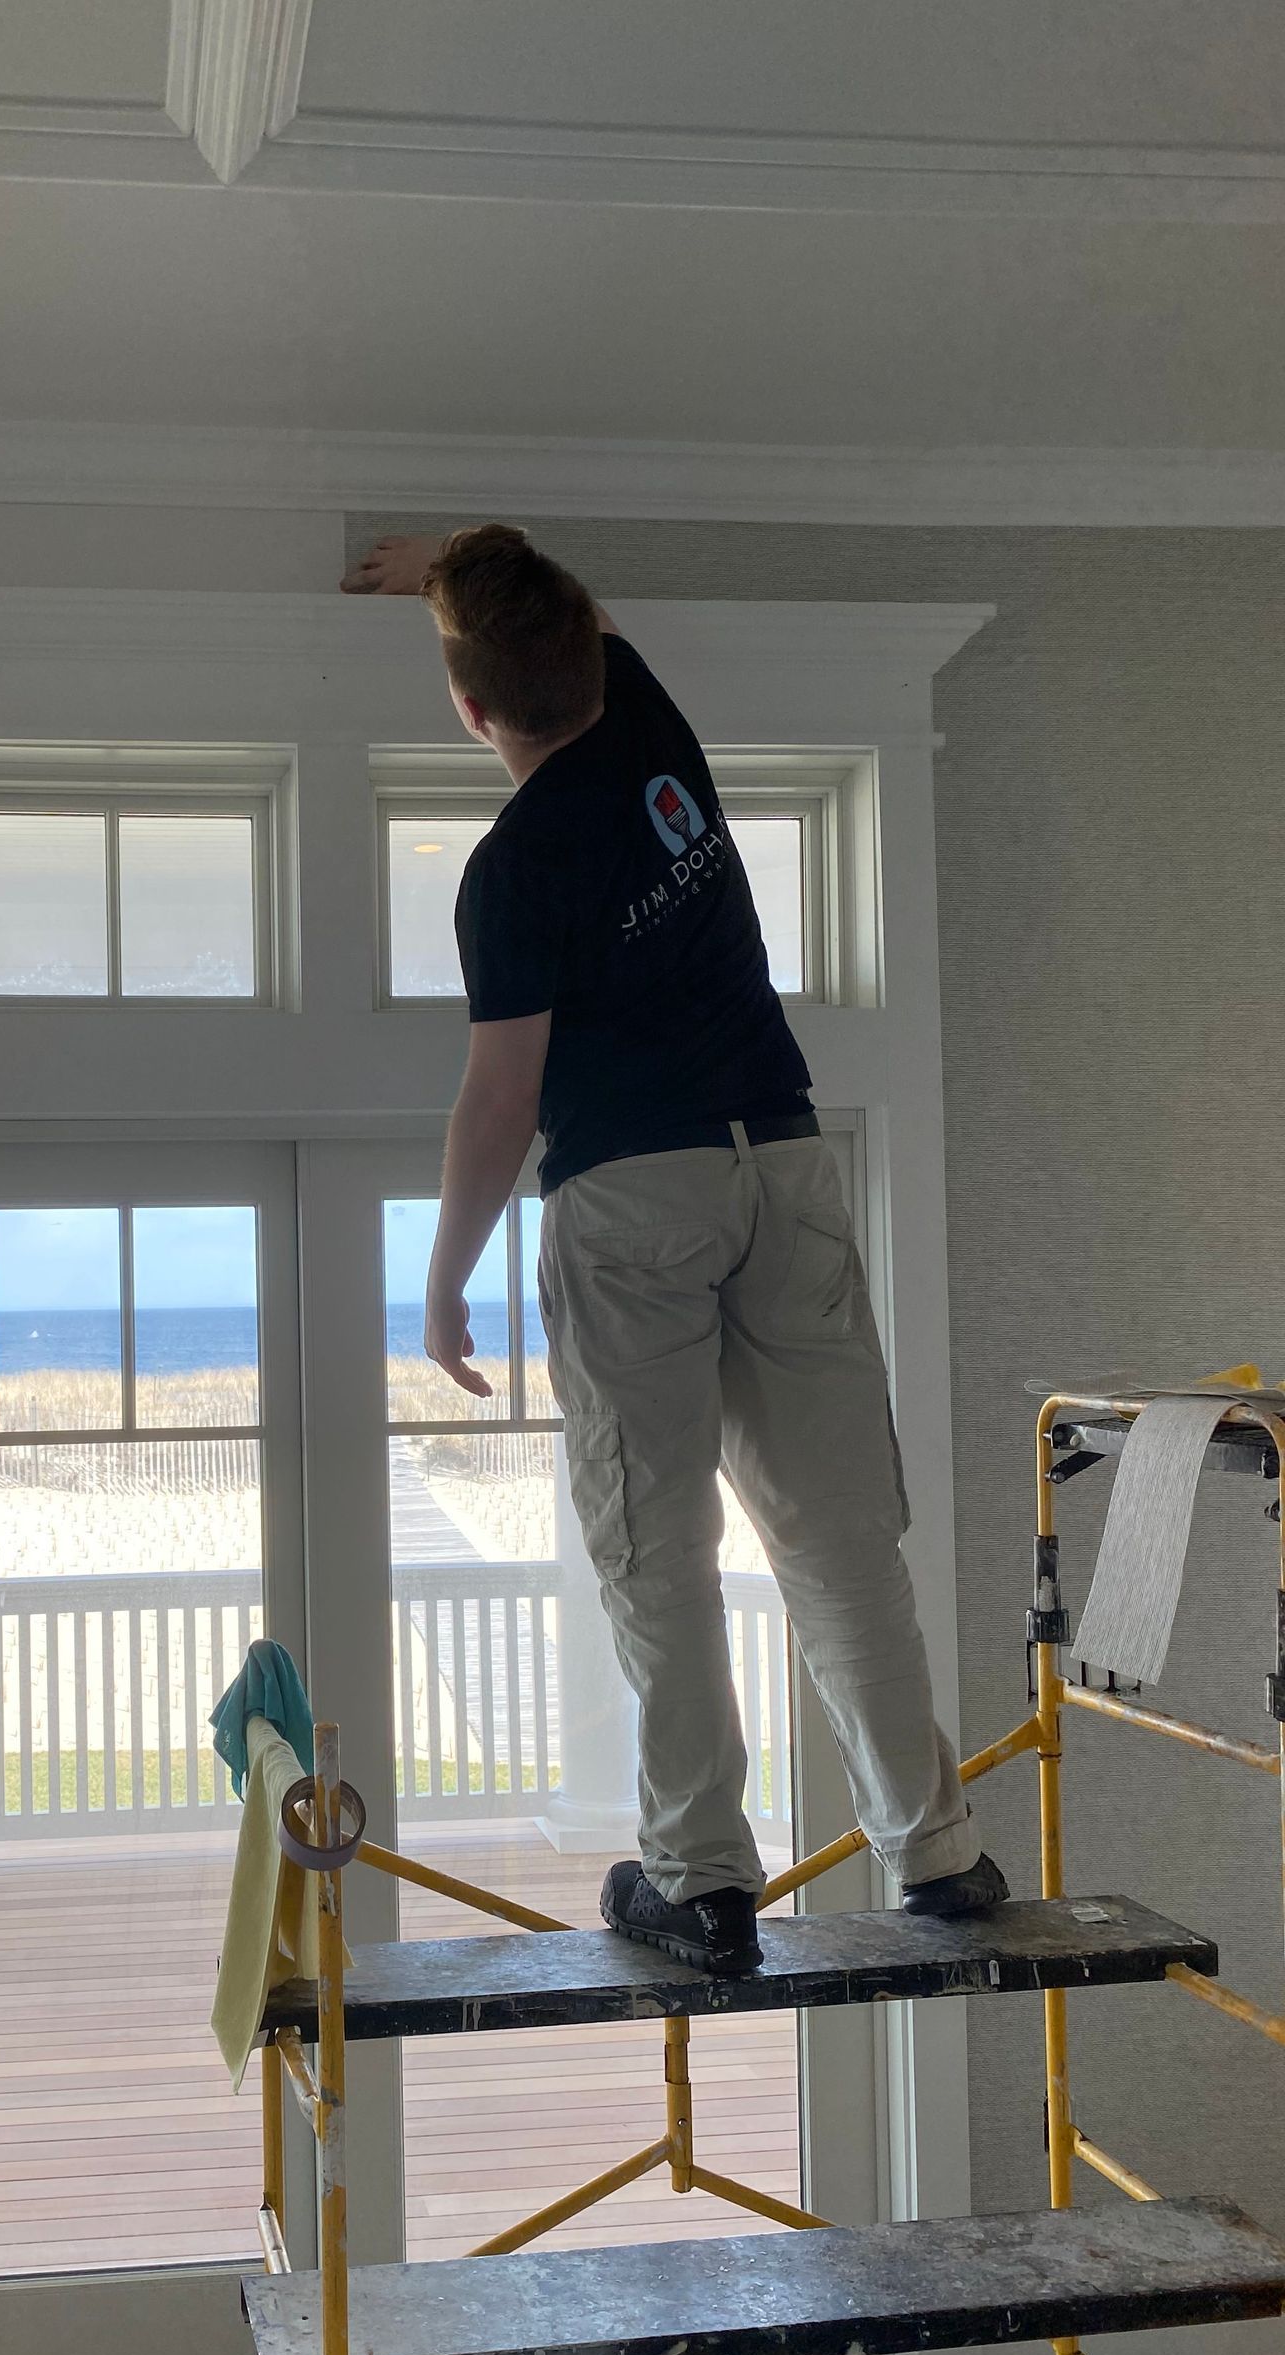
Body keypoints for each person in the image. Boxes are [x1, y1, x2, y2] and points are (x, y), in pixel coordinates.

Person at [344, 524, 1006, 1977]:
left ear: (469, 710)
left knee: (660, 1548)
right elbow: (563, 615)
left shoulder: (509, 871)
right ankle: (939, 1850)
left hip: (633, 1196)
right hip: (784, 1162)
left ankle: (701, 1879)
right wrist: (457, 565)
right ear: (583, 653)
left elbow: (501, 1100)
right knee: (838, 1535)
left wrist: (445, 1278)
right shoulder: (647, 720)